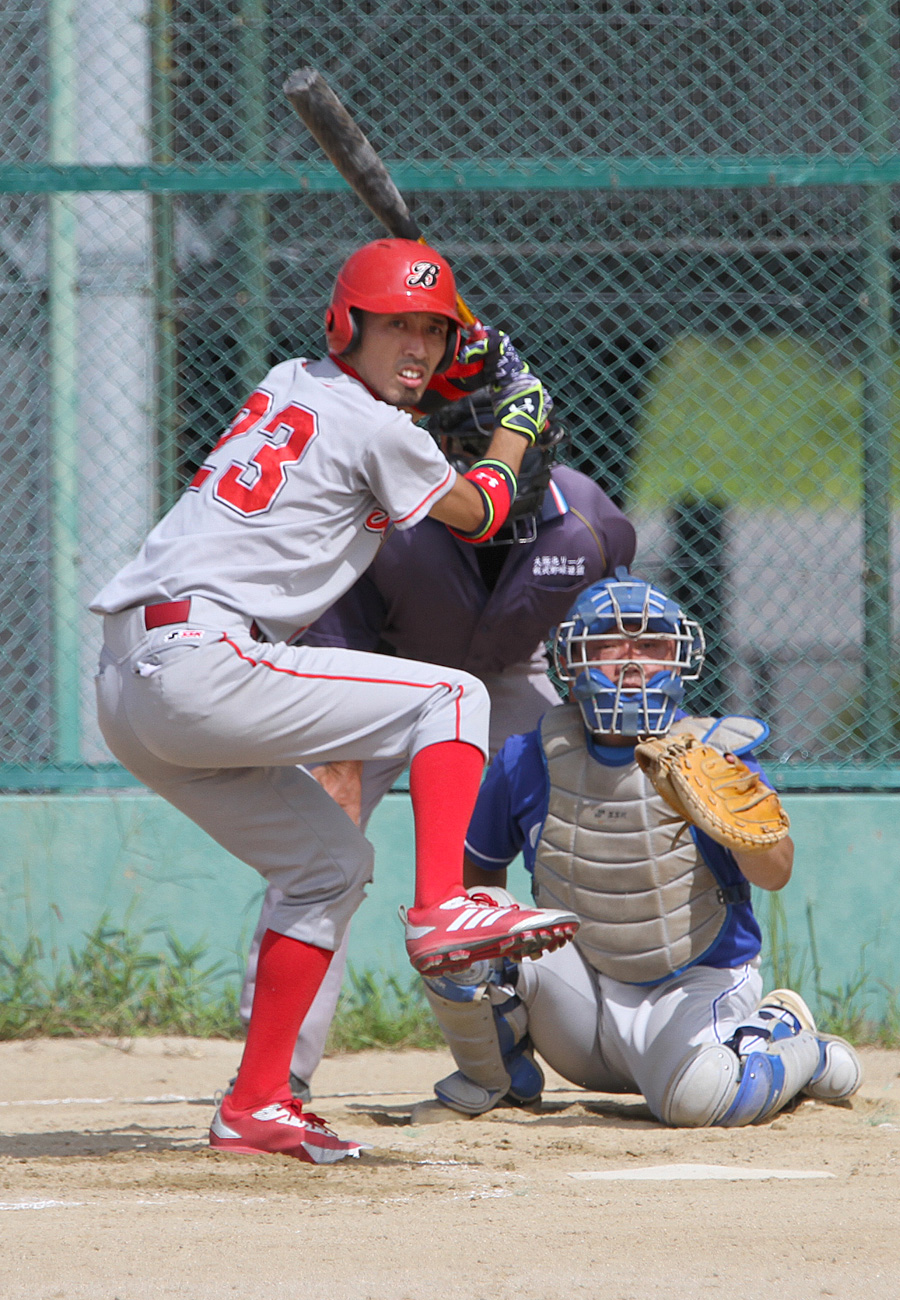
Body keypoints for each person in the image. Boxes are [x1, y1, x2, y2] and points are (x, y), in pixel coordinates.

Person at [89, 236, 579, 1163]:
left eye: (435, 332)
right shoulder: (378, 429)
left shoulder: (292, 380)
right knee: (451, 697)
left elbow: (400, 419)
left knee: (327, 866)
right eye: (398, 324)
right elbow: (480, 511)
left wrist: (458, 375)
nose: (421, 347)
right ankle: (443, 908)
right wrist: (516, 416)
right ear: (347, 325)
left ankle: (259, 1102)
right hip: (201, 658)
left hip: (133, 685)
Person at [239, 390, 637, 1097]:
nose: (492, 461)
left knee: (598, 802)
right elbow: (337, 653)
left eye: (509, 445)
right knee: (320, 852)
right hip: (386, 670)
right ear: (439, 450)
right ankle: (277, 1072)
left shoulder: (588, 524)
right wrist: (340, 783)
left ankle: (614, 1025)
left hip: (516, 673)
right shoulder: (387, 522)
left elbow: (604, 643)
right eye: (472, 446)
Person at [421, 571, 862, 1127]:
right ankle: (497, 1081)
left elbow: (776, 875)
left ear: (680, 661)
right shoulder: (527, 757)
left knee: (699, 1101)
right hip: (581, 999)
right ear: (571, 663)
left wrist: (732, 831)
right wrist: (488, 964)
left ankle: (790, 1037)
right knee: (460, 923)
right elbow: (469, 882)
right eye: (608, 645)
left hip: (697, 979)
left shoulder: (714, 758)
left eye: (651, 646)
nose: (631, 665)